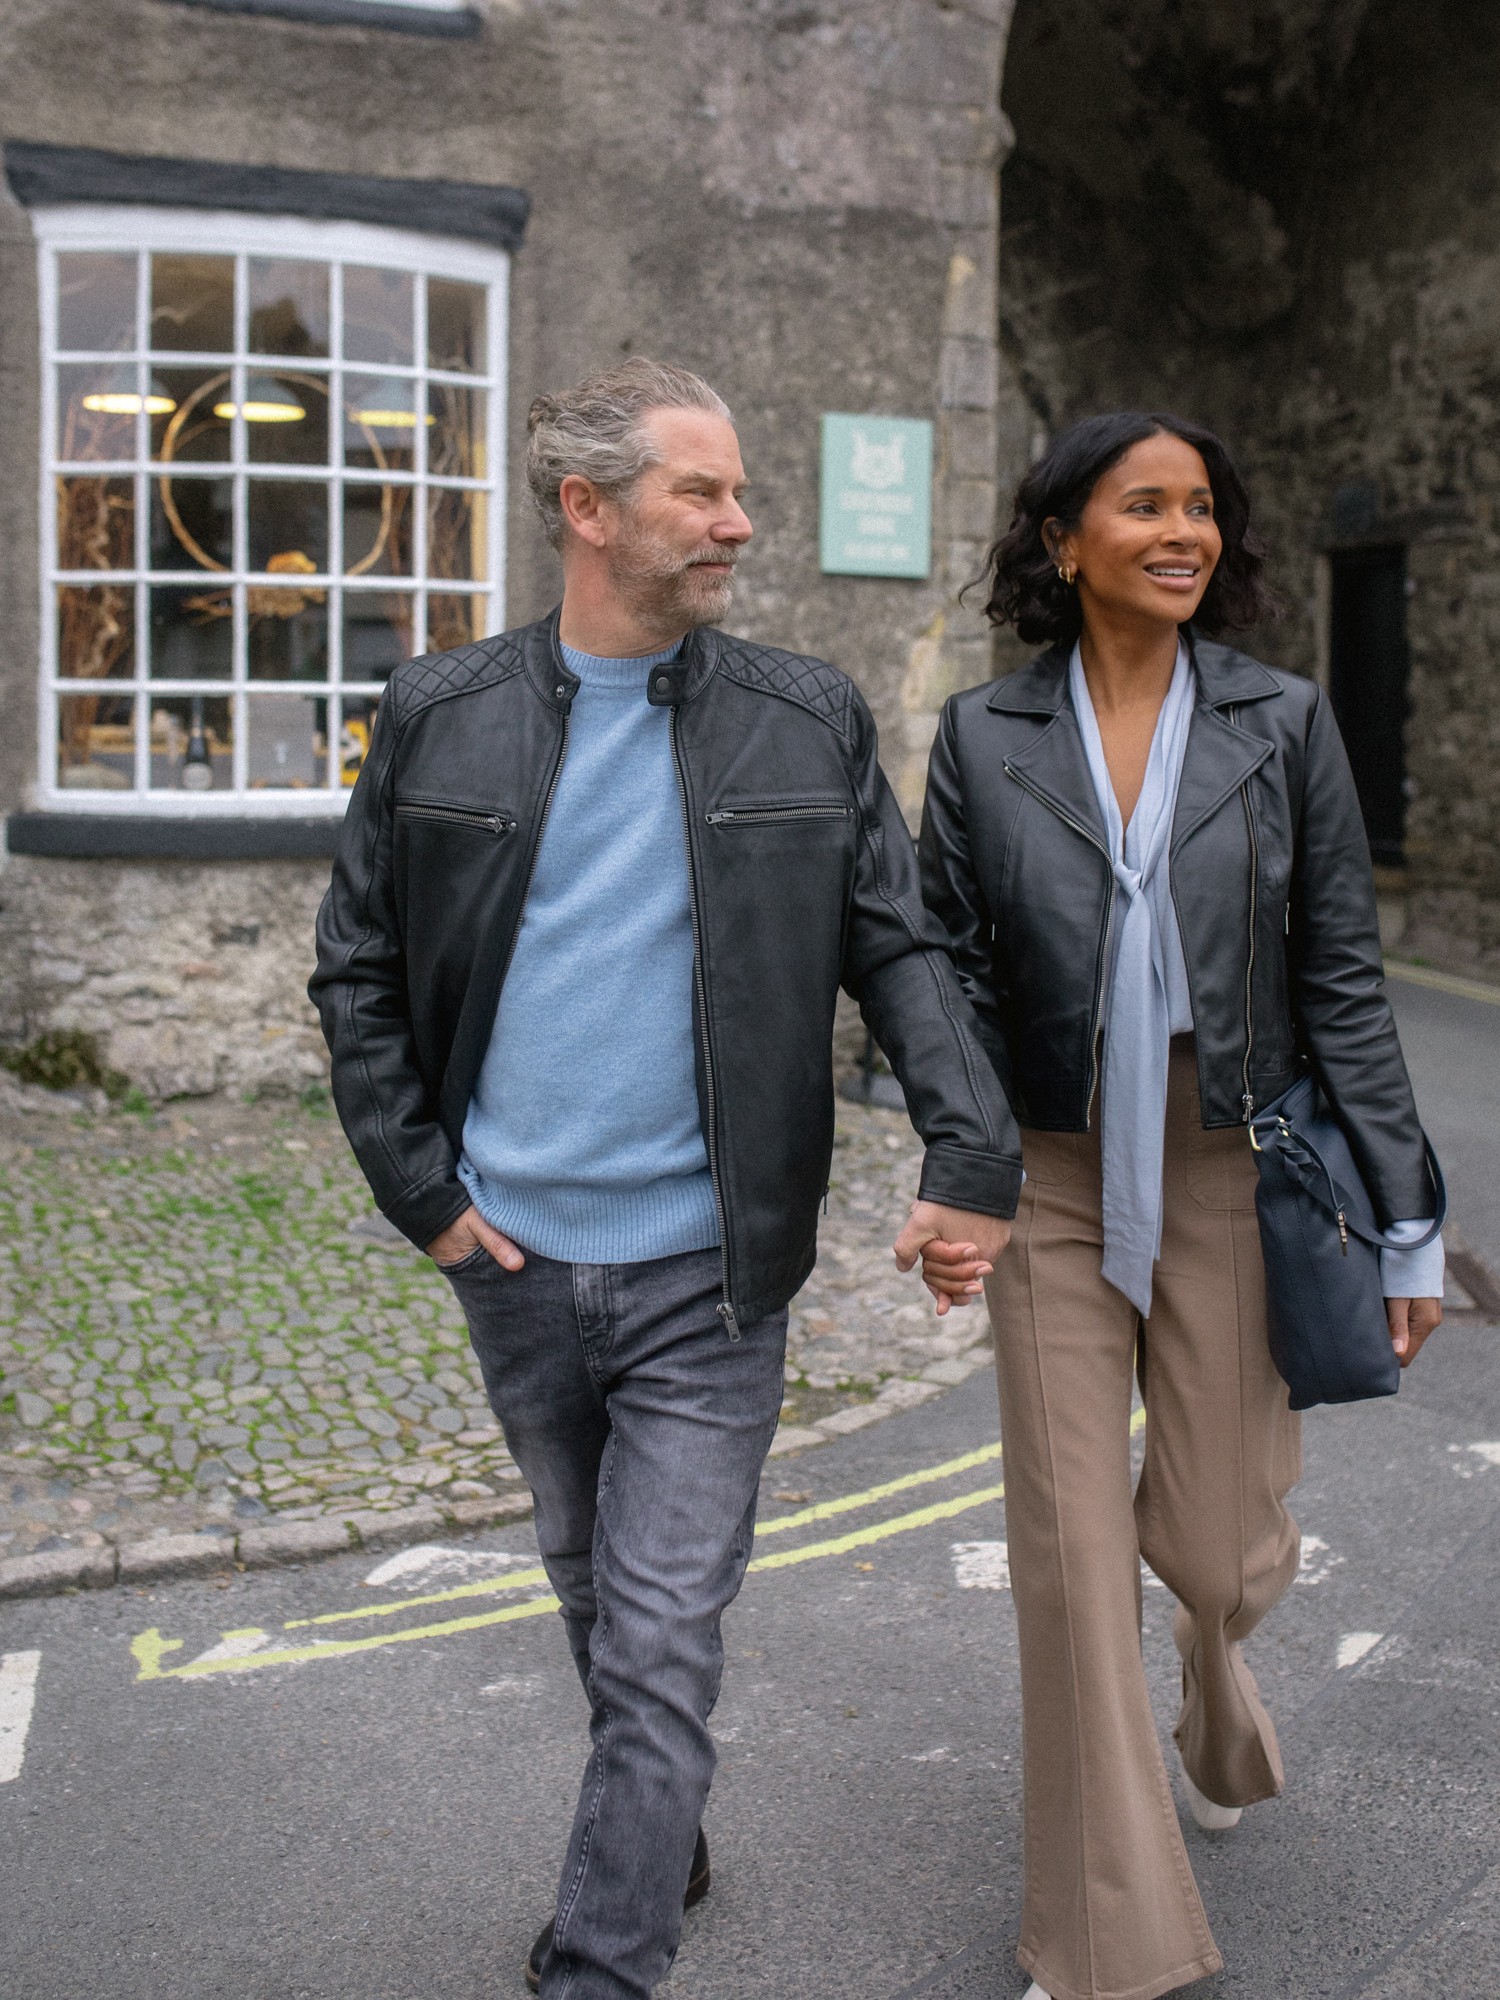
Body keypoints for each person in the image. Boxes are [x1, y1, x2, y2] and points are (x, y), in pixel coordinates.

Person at [309, 358, 1017, 2000]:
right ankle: (662, 1816)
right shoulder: (440, 710)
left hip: (714, 1265)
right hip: (516, 1261)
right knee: (591, 1590)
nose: (739, 521)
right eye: (700, 492)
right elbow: (357, 971)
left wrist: (969, 1151)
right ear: (587, 509)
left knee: (658, 1628)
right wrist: (423, 1191)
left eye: (739, 488)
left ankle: (602, 1964)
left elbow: (898, 950)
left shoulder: (805, 712)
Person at [916, 411, 1444, 2000]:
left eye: (1202, 507)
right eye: (1144, 505)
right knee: (1073, 1560)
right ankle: (1103, 1941)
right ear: (1066, 538)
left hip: (1234, 1162)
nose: (1183, 531)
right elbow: (937, 966)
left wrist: (1408, 1212)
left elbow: (1341, 977)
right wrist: (962, 1172)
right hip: (1053, 1172)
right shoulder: (984, 736)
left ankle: (1218, 1683)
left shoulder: (1281, 722)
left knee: (1215, 1554)